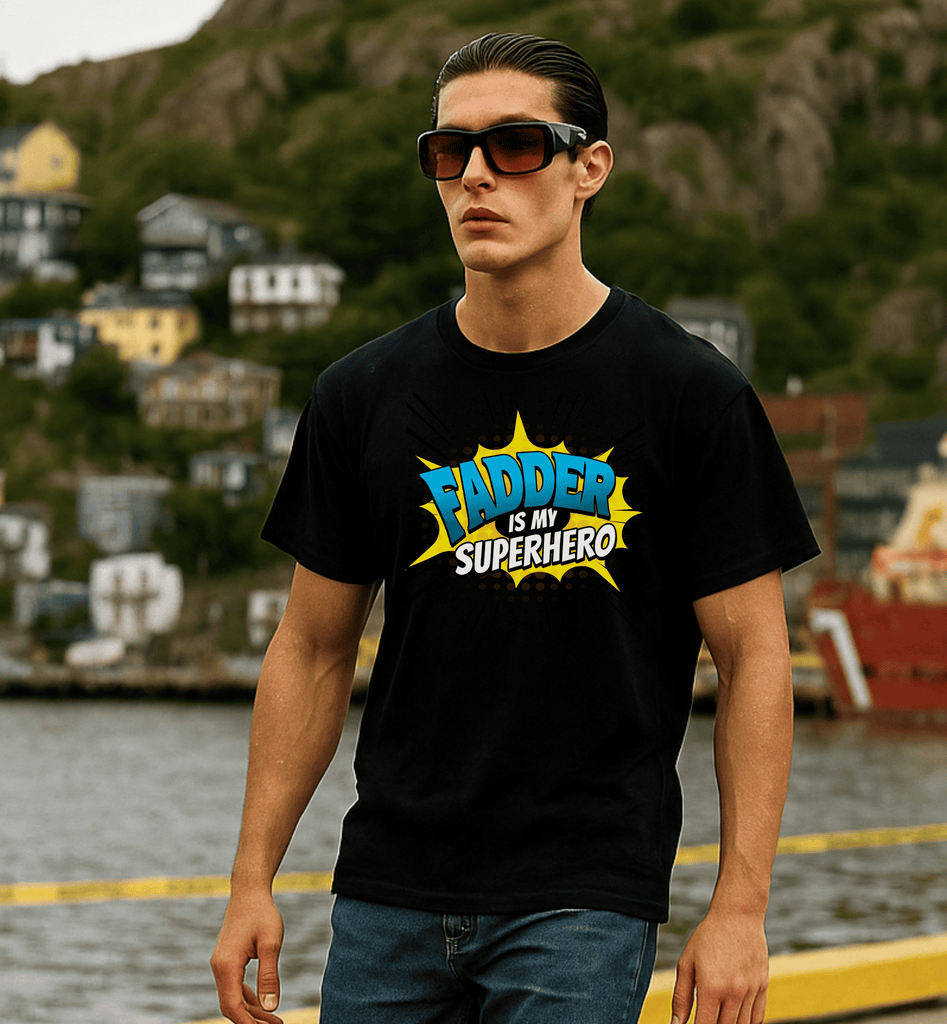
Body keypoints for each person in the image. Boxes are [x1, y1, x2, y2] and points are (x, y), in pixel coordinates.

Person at [210, 31, 819, 1024]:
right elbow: (313, 650)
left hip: (581, 897)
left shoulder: (687, 393)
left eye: (516, 146)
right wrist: (250, 882)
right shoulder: (361, 396)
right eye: (449, 154)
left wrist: (739, 907)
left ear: (590, 168)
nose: (476, 178)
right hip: (386, 893)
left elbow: (754, 657)